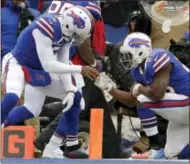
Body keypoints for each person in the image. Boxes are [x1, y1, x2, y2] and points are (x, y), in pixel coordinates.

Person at [1, 6, 100, 158]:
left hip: (39, 71)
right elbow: (48, 63)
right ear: (68, 26)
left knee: (74, 97)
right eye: (76, 34)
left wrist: (69, 89)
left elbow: (62, 60)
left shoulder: (66, 32)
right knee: (12, 97)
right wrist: (80, 69)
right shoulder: (46, 26)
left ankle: (66, 145)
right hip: (18, 64)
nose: (77, 39)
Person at [94, 32, 190, 159]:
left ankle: (155, 145)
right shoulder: (137, 70)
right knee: (171, 155)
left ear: (140, 51)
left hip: (186, 102)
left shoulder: (158, 56)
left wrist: (139, 88)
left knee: (144, 100)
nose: (124, 59)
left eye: (128, 54)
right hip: (182, 110)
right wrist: (110, 89)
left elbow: (156, 95)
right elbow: (133, 100)